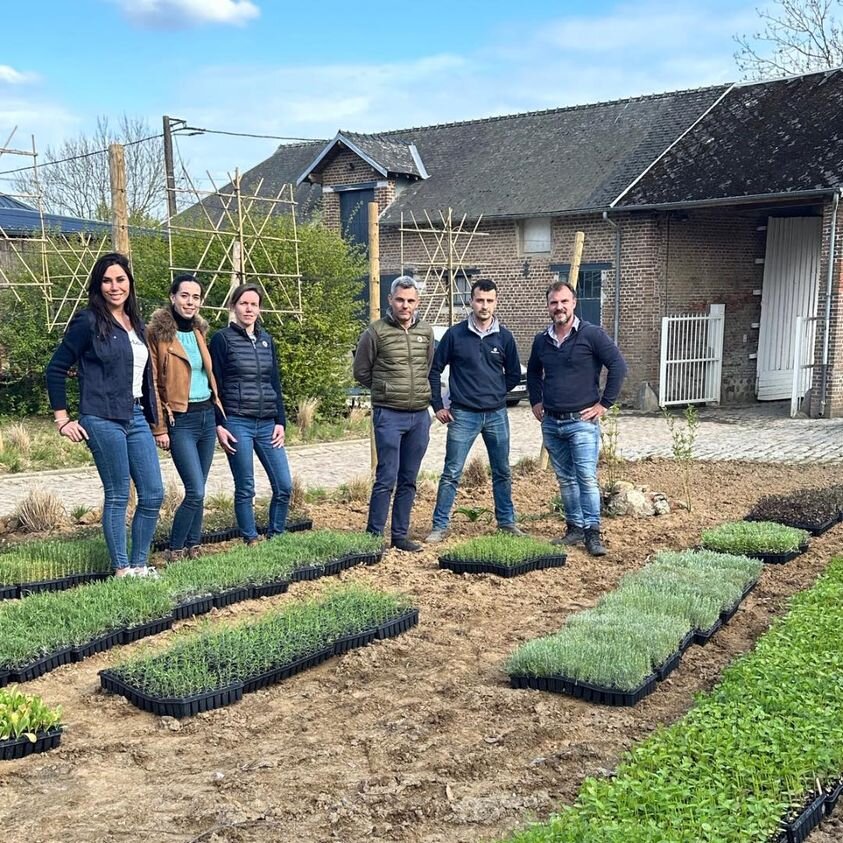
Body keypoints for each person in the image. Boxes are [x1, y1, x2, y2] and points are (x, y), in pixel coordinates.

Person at [46, 252, 163, 577]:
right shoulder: (88, 322)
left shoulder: (136, 324)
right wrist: (63, 420)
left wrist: (156, 421)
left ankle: (139, 565)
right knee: (118, 493)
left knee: (154, 493)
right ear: (99, 285)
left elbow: (143, 376)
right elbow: (55, 369)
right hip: (101, 417)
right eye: (107, 280)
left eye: (120, 279)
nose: (115, 287)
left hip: (136, 416)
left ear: (129, 283)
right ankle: (122, 569)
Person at [527, 280, 627, 556]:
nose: (559, 307)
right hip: (552, 422)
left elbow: (618, 365)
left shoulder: (591, 335)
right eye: (553, 303)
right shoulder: (542, 340)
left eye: (564, 302)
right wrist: (536, 400)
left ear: (574, 303)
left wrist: (604, 404)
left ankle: (593, 534)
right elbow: (533, 372)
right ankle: (574, 528)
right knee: (565, 479)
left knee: (585, 477)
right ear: (548, 306)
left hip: (582, 422)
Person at [426, 279, 524, 543]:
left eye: (490, 301)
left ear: (496, 302)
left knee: (502, 471)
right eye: (480, 300)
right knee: (451, 472)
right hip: (462, 415)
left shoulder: (505, 337)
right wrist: (438, 406)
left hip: (496, 415)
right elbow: (434, 370)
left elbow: (514, 373)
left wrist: (495, 392)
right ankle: (439, 526)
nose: (484, 306)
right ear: (471, 301)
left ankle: (506, 522)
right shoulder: (455, 335)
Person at [353, 276, 434, 552]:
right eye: (400, 299)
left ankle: (400, 535)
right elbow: (361, 371)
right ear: (390, 299)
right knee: (386, 477)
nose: (405, 305)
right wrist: (386, 389)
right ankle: (374, 536)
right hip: (389, 415)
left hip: (419, 416)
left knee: (409, 479)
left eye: (411, 300)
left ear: (417, 302)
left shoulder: (426, 331)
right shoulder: (375, 332)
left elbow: (427, 365)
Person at [147, 274, 223, 561]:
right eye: (185, 296)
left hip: (206, 416)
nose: (190, 302)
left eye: (195, 297)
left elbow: (209, 375)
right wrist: (159, 427)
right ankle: (175, 548)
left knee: (200, 488)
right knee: (194, 489)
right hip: (181, 420)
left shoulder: (200, 332)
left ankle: (194, 545)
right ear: (172, 297)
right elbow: (153, 382)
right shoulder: (158, 334)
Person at [209, 283, 292, 544]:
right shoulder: (222, 339)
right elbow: (215, 385)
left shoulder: (267, 340)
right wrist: (219, 424)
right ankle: (251, 538)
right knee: (246, 487)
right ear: (233, 306)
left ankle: (276, 534)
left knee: (284, 485)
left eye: (254, 304)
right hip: (237, 422)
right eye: (243, 303)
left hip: (267, 423)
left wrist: (281, 421)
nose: (249, 308)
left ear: (260, 309)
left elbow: (274, 382)